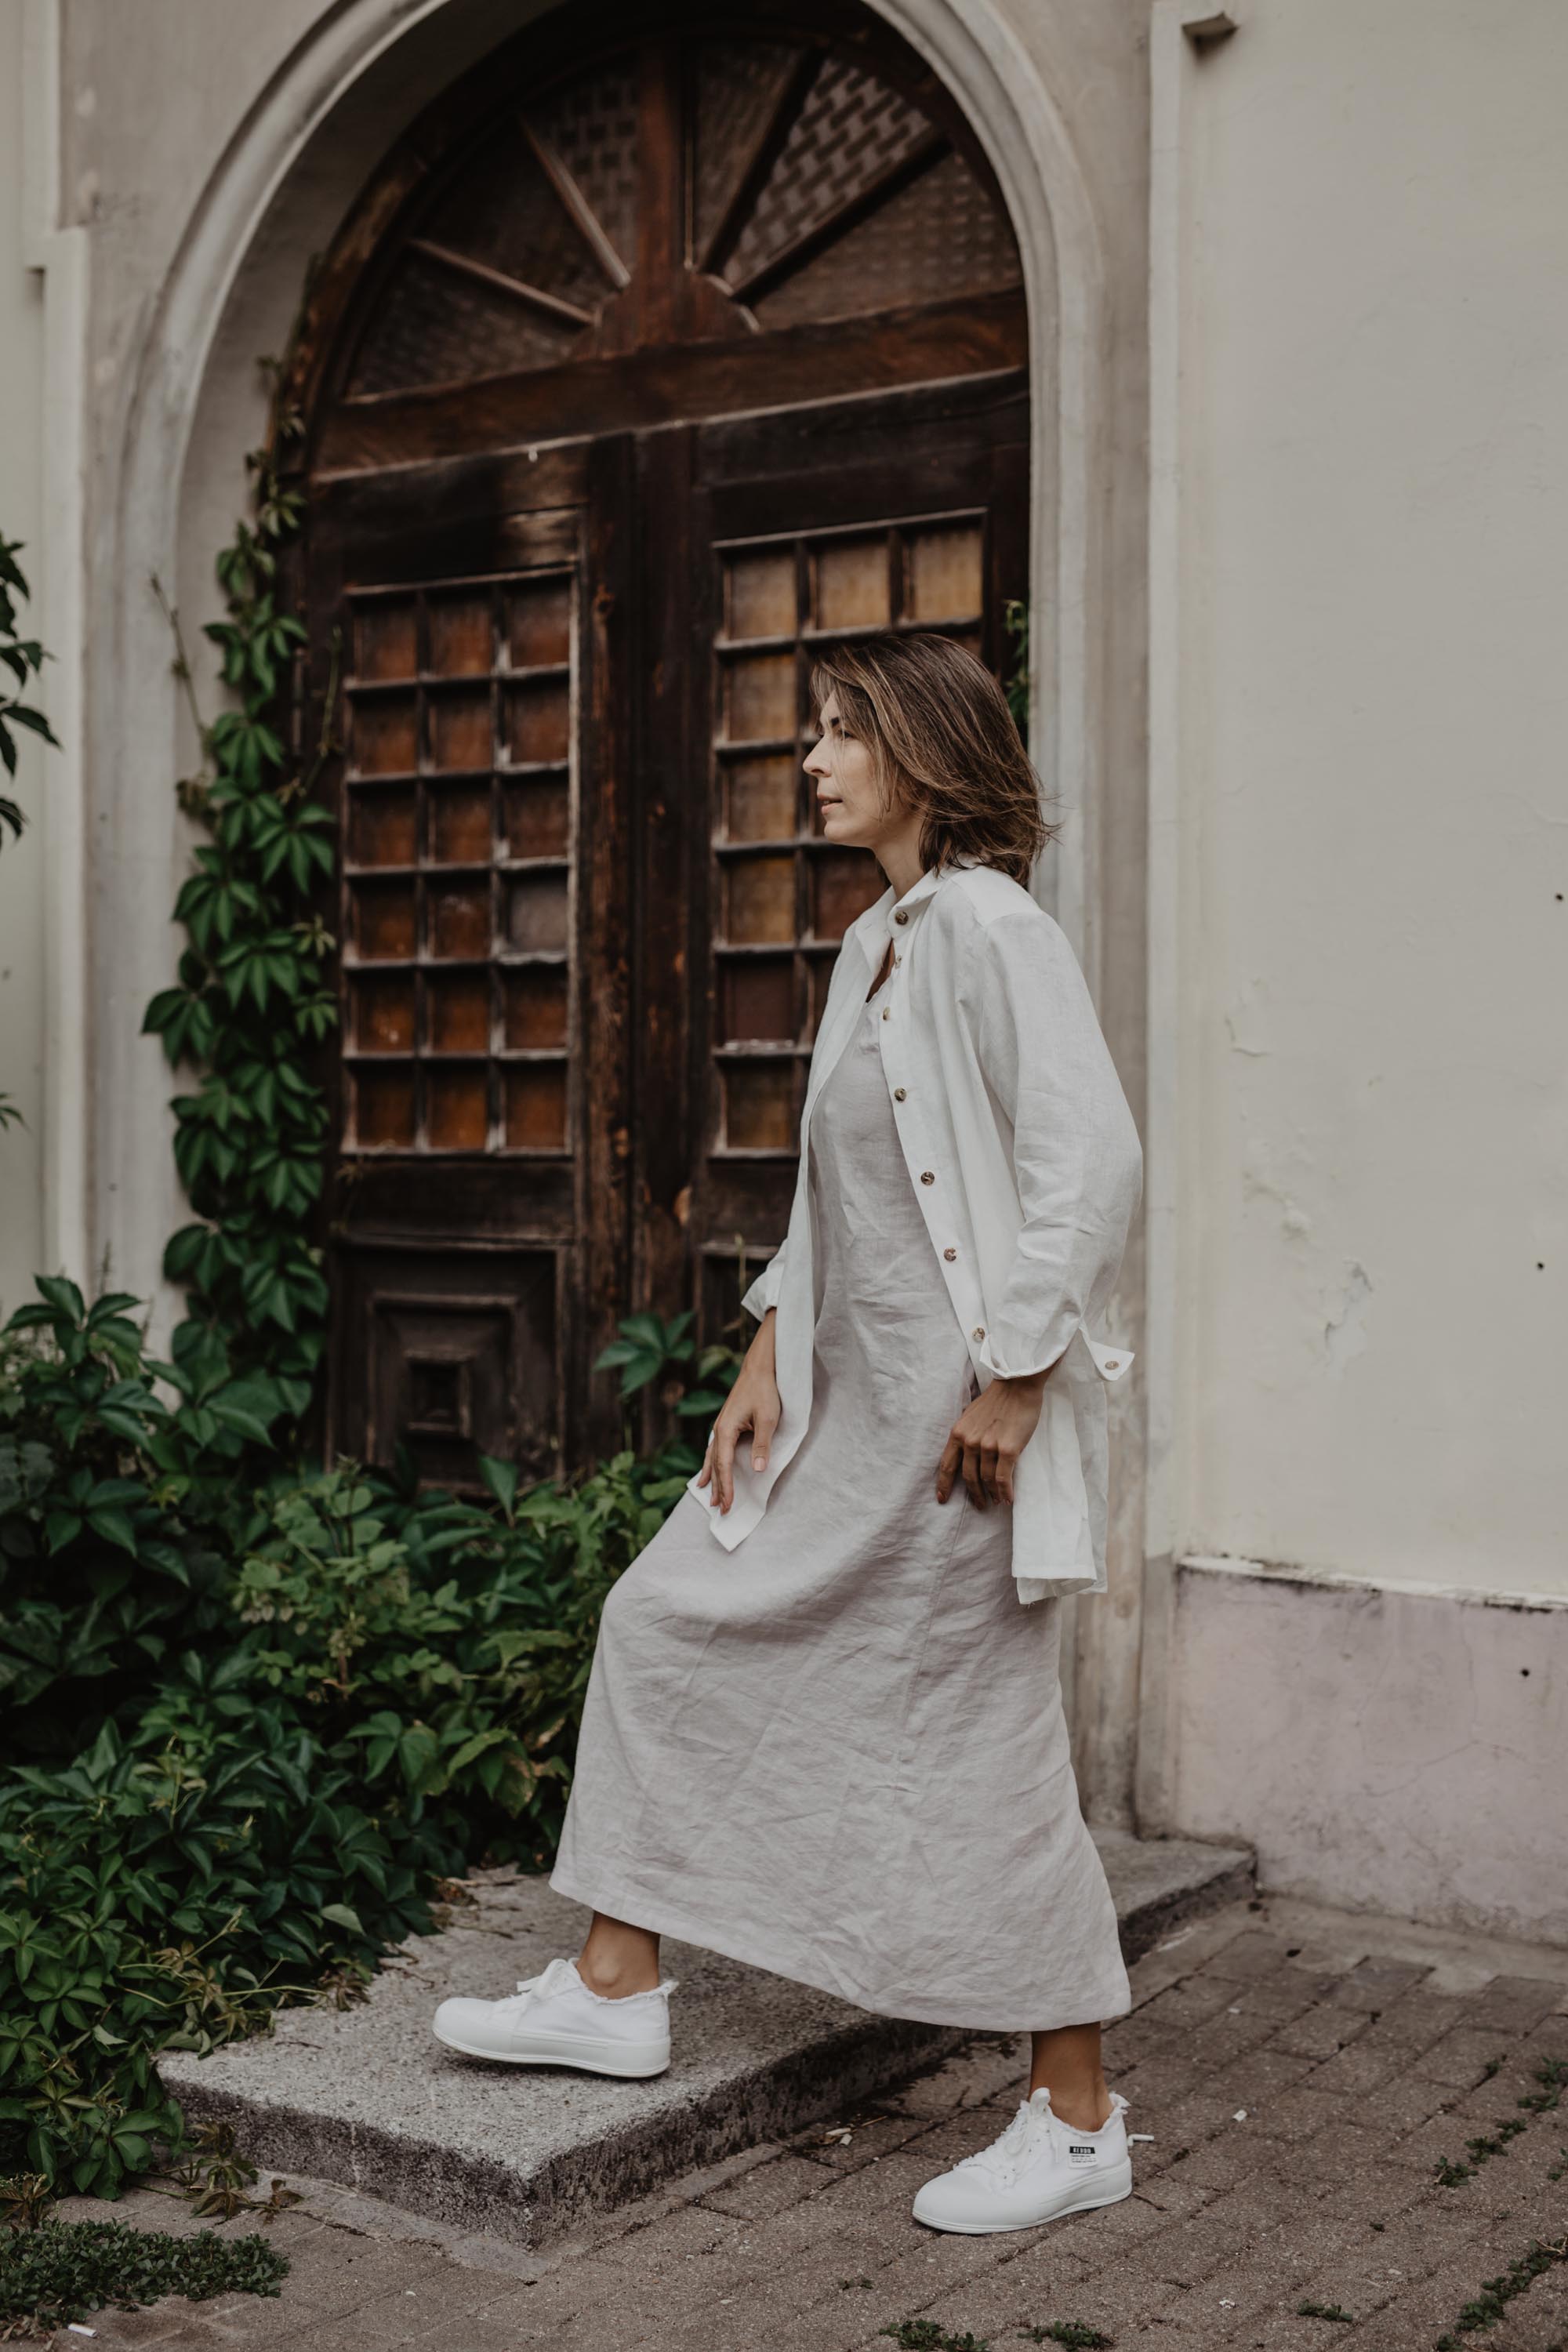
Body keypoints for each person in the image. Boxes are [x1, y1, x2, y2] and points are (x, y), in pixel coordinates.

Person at [433, 632, 1145, 2237]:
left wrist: (1020, 1377)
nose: (810, 761)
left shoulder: (986, 928)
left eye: (838, 733)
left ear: (920, 750)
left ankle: (1077, 2114)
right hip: (848, 1413)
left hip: (961, 1434)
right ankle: (618, 1982)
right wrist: (765, 1346)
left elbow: (1086, 1161)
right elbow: (838, 1202)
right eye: (814, 731)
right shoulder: (870, 945)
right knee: (664, 1619)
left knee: (981, 1751)